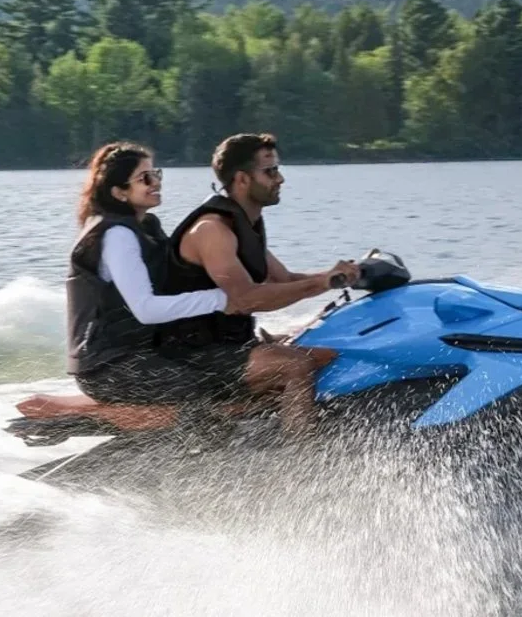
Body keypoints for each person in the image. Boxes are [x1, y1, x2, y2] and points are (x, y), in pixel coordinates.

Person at [156, 133, 358, 437]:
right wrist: (324, 282)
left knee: (330, 350)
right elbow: (247, 298)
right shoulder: (212, 230)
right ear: (242, 179)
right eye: (270, 171)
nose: (280, 179)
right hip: (194, 355)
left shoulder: (245, 224)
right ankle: (303, 455)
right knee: (295, 366)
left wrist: (339, 274)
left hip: (230, 345)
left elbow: (285, 280)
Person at [66, 142, 248, 408]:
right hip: (106, 367)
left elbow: (176, 281)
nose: (156, 182)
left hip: (140, 350)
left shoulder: (147, 226)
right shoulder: (118, 236)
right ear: (119, 192)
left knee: (222, 368)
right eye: (145, 178)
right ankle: (197, 441)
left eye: (156, 174)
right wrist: (221, 300)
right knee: (203, 388)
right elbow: (147, 310)